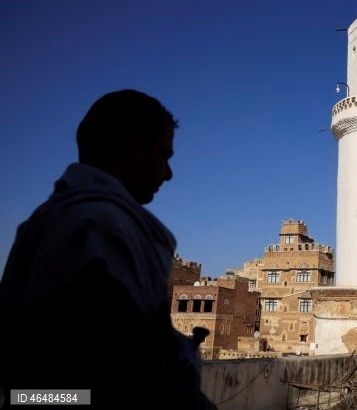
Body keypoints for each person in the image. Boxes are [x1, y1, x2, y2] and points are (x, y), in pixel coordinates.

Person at [0, 90, 216, 409]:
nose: (168, 173)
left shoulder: (44, 221)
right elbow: (127, 370)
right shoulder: (103, 227)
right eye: (163, 155)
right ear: (132, 150)